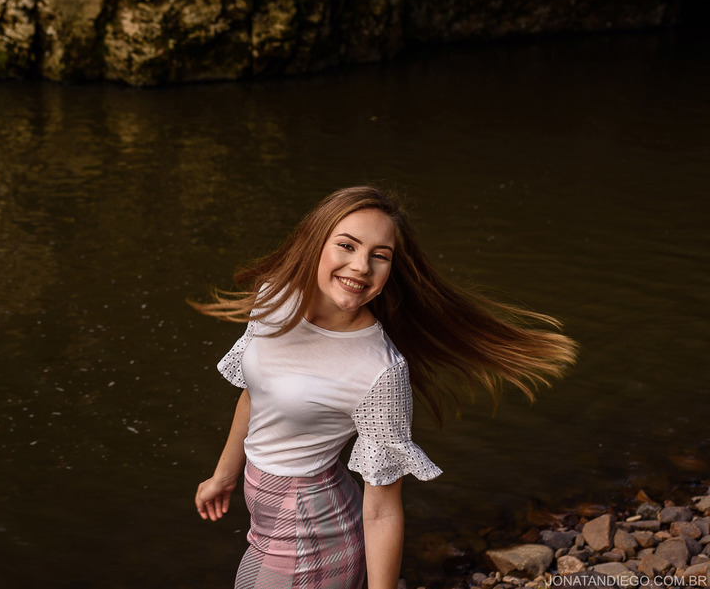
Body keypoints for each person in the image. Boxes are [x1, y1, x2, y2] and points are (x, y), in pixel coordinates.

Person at [192, 186, 578, 589]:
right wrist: (223, 475)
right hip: (266, 527)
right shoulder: (273, 298)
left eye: (380, 255)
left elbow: (382, 510)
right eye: (347, 245)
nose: (361, 266)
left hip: (314, 537)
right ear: (314, 243)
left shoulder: (380, 369)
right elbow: (254, 394)